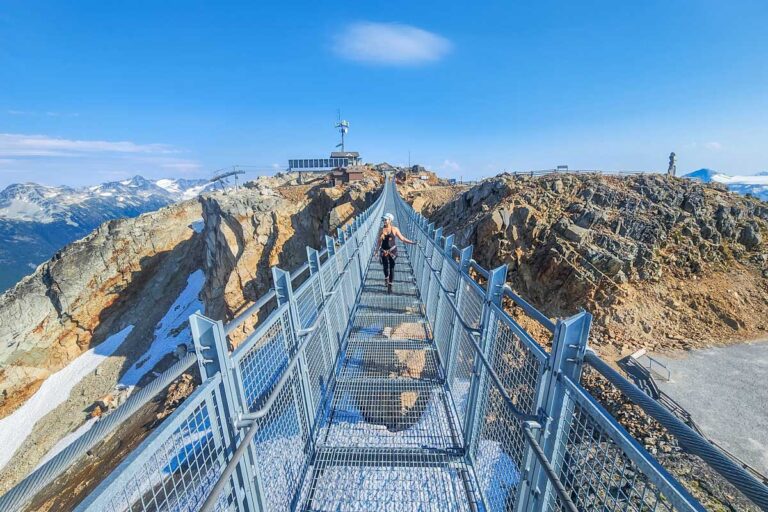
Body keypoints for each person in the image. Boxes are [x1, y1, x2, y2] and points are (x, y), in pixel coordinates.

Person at [378, 213, 415, 293]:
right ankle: (386, 278)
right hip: (384, 251)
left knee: (391, 268)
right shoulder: (381, 230)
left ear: (390, 220)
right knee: (385, 267)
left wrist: (411, 242)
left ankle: (390, 286)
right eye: (383, 219)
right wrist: (376, 251)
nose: (384, 221)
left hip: (392, 251)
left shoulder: (394, 229)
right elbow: (379, 242)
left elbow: (402, 238)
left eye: (385, 219)